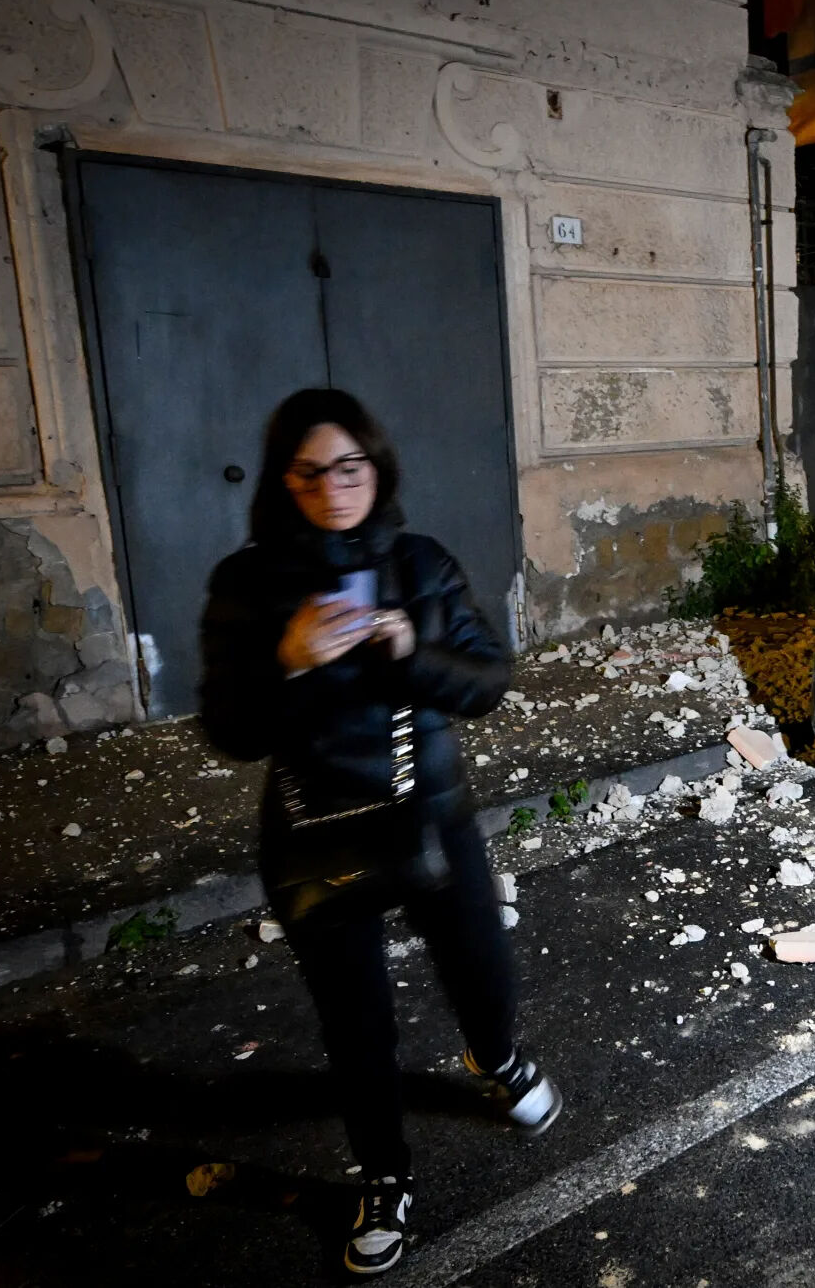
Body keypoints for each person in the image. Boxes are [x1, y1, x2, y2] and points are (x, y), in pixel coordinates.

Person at [199, 388, 559, 1276]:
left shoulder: (420, 562)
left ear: (377, 467)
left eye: (349, 467)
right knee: (356, 1025)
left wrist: (413, 650)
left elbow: (488, 681)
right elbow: (229, 730)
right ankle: (386, 1178)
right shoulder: (247, 583)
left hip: (431, 811)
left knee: (483, 973)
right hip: (313, 828)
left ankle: (498, 1056)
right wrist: (287, 658)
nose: (333, 488)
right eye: (310, 472)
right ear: (285, 479)